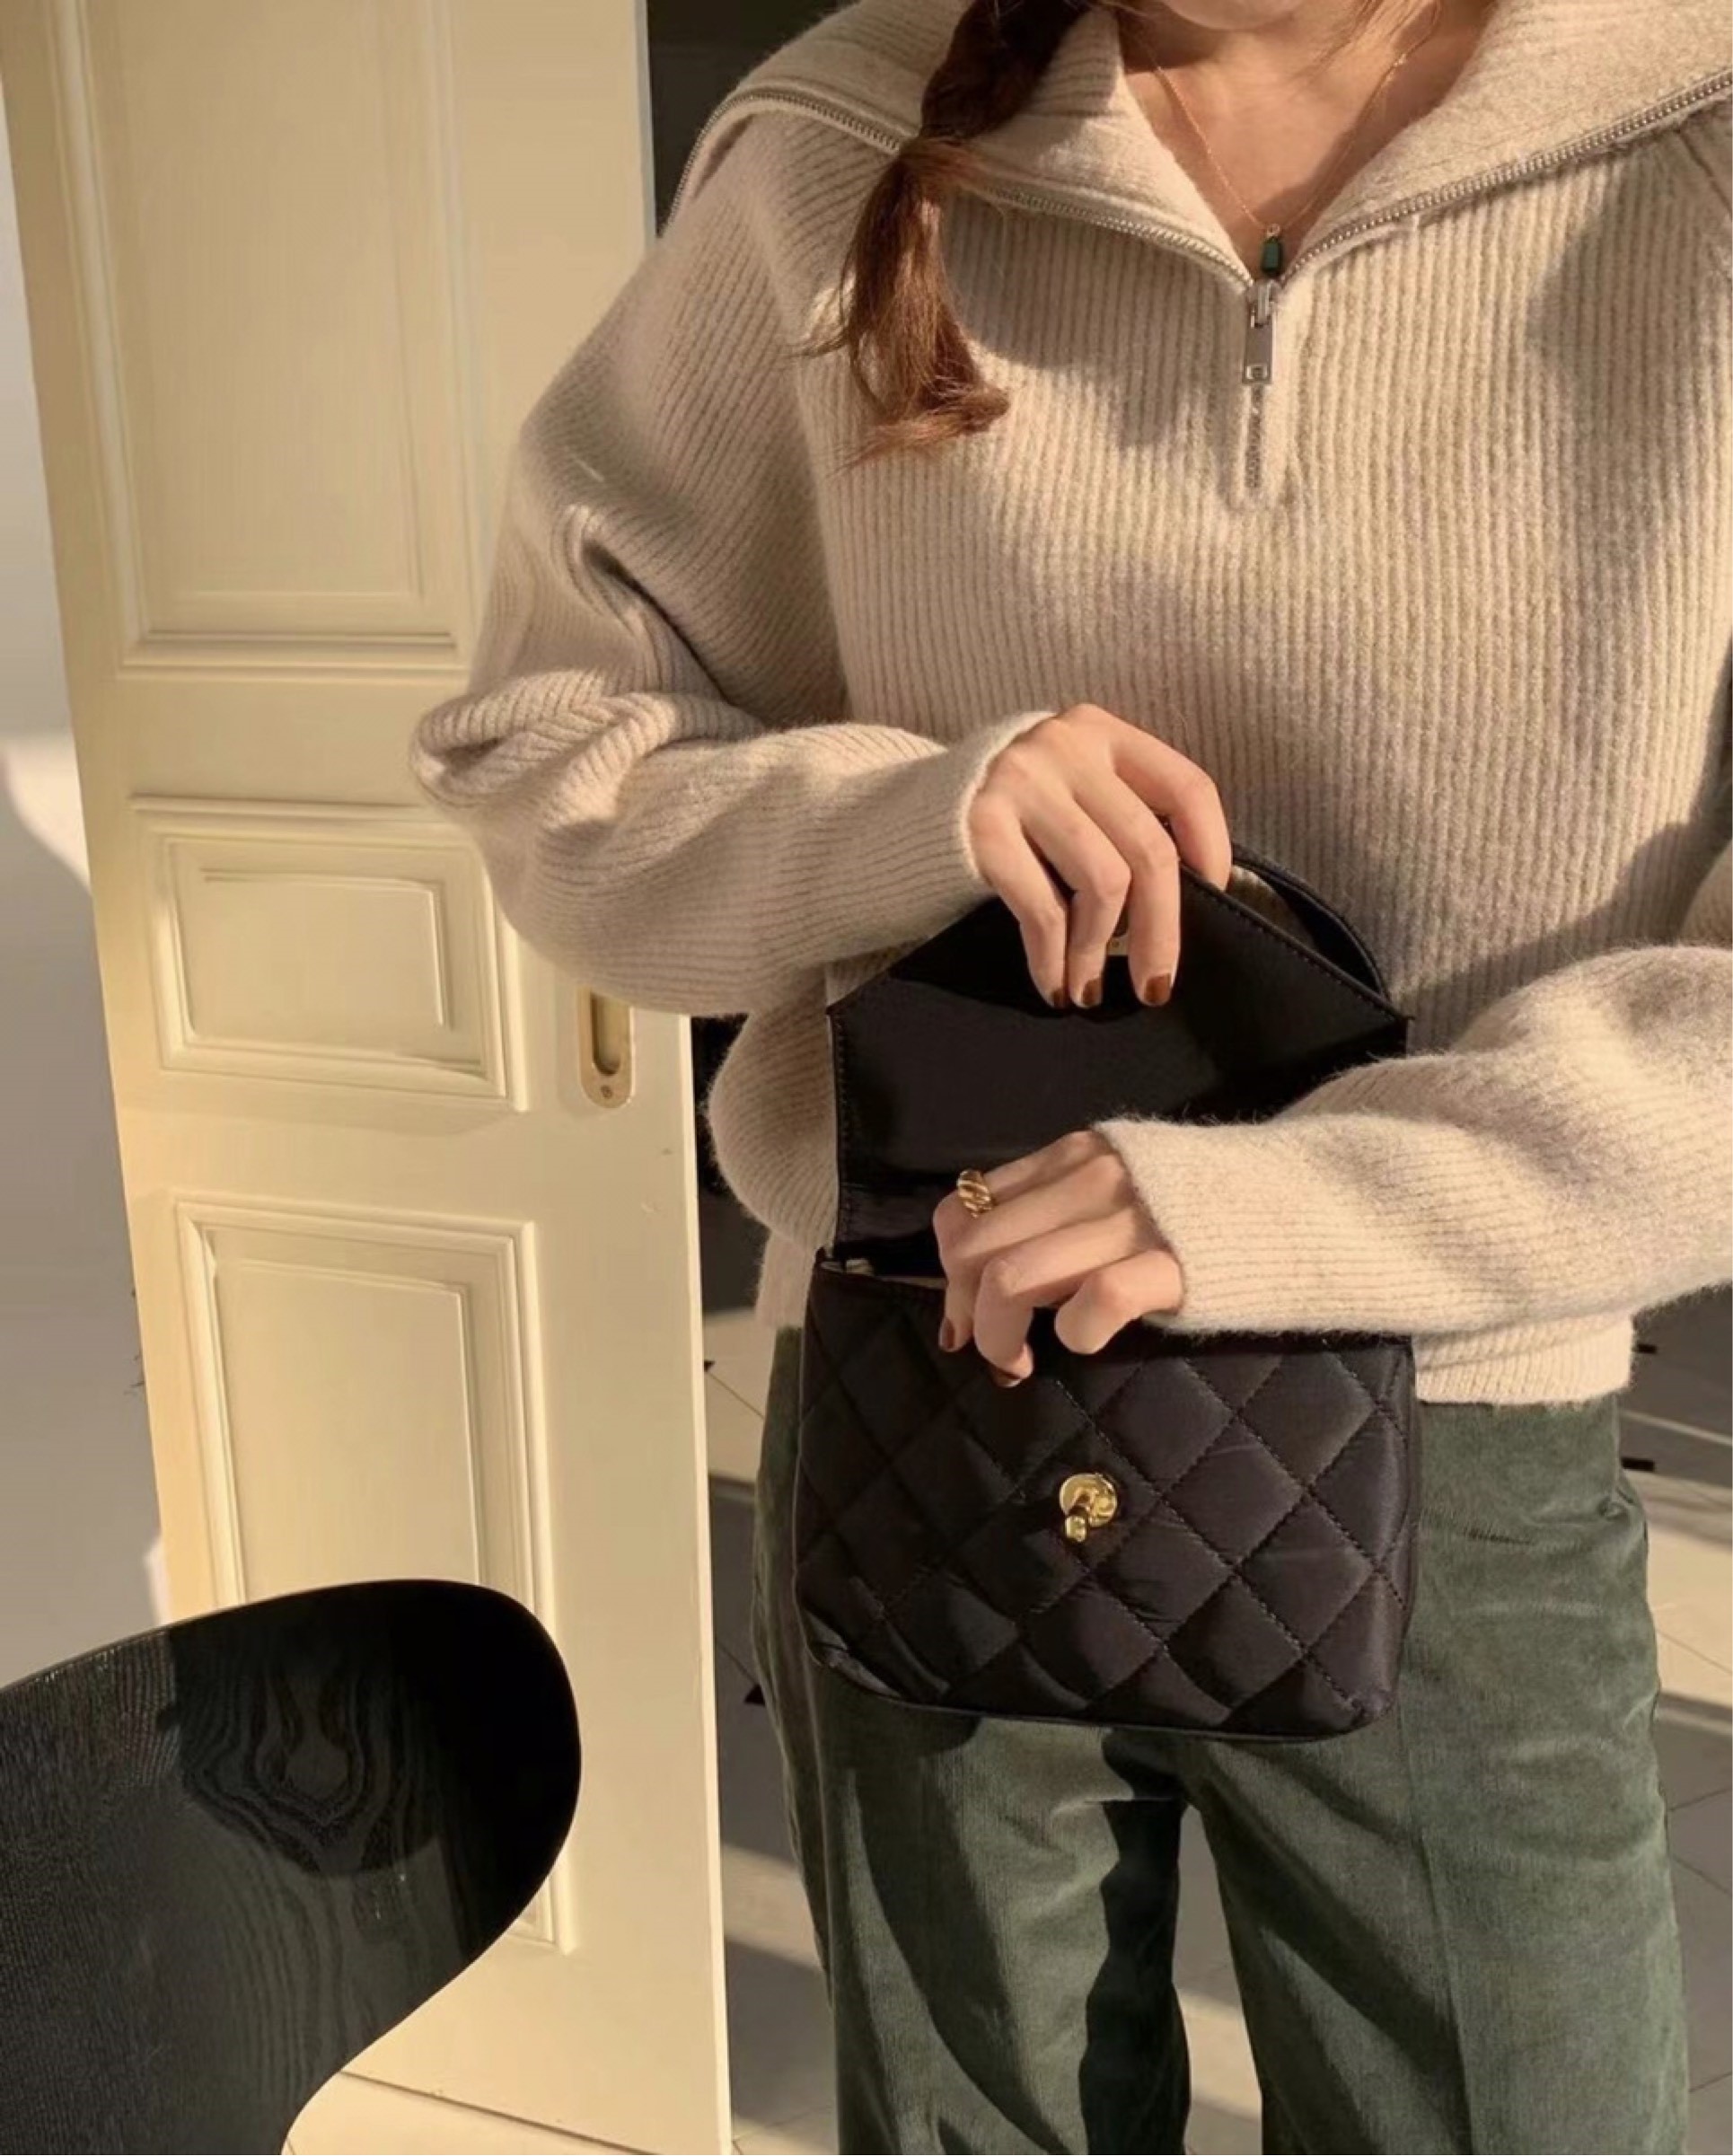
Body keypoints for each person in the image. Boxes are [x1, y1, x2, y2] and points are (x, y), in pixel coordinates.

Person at [411, 0, 1733, 2146]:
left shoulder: (1690, 148)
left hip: (1455, 1431)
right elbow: (543, 760)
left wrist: (1260, 1208)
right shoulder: (840, 153)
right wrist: (907, 817)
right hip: (932, 1373)